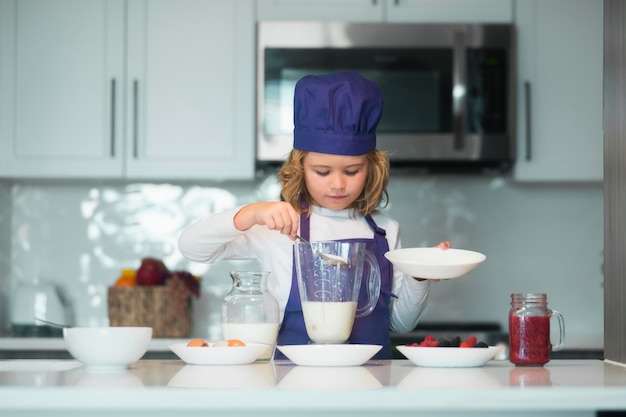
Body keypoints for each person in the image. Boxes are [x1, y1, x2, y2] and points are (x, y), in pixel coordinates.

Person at [178, 71, 450, 359]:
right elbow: (191, 247)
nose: (337, 184)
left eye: (352, 171)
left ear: (371, 168)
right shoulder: (278, 226)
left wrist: (420, 276)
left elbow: (401, 323)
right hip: (294, 386)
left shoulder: (385, 230)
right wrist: (252, 213)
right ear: (300, 167)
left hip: (371, 388)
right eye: (322, 172)